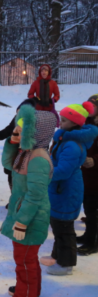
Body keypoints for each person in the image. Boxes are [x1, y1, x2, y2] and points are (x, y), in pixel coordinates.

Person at [0, 105, 57, 297]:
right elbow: (8, 164)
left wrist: (22, 222)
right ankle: (26, 289)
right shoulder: (27, 152)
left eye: (22, 128)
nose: (16, 129)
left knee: (25, 261)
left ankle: (27, 293)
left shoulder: (38, 159)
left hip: (31, 219)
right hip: (22, 212)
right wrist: (11, 142)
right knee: (23, 260)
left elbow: (35, 195)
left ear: (35, 132)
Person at [40, 102, 98, 275]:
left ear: (74, 123)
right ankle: (57, 256)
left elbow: (64, 170)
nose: (60, 123)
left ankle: (66, 265)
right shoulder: (65, 138)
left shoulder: (71, 145)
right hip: (60, 189)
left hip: (66, 191)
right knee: (58, 226)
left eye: (64, 120)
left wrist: (44, 174)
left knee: (64, 229)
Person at [0, 98, 38, 198]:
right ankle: (14, 200)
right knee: (12, 179)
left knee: (25, 181)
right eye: (18, 111)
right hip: (14, 155)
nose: (19, 114)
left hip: (27, 157)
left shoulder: (34, 123)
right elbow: (3, 134)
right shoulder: (15, 119)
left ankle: (24, 202)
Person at [77, 94, 98, 256]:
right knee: (89, 207)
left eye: (94, 105)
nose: (90, 108)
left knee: (94, 210)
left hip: (95, 173)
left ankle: (93, 241)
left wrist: (95, 160)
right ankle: (88, 235)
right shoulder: (87, 123)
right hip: (86, 173)